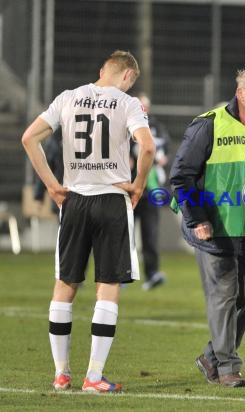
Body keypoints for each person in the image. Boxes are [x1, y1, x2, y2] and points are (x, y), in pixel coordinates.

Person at [21, 50, 155, 392]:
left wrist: (52, 185)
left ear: (102, 70)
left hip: (75, 200)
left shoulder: (68, 98)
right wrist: (138, 185)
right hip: (112, 199)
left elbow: (29, 138)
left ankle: (61, 374)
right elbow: (148, 147)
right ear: (127, 77)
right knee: (108, 287)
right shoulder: (128, 104)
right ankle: (94, 377)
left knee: (65, 286)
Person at [169, 68, 245, 388]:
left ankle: (211, 357)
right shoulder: (209, 124)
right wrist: (197, 219)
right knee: (225, 294)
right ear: (240, 92)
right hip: (216, 225)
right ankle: (229, 367)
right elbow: (181, 175)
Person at [131, 93, 169, 291]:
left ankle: (152, 273)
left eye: (144, 106)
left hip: (151, 189)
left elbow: (165, 149)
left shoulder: (156, 127)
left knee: (150, 235)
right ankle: (122, 274)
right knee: (123, 235)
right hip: (129, 188)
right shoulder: (125, 123)